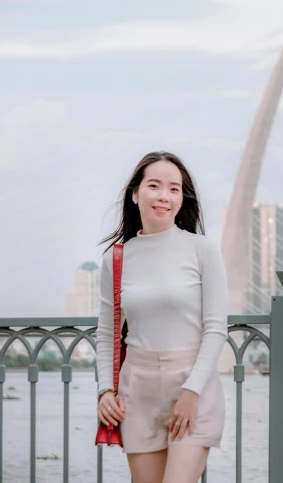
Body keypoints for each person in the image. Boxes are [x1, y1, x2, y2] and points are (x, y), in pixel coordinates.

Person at [95, 151, 228, 483]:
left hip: (191, 386)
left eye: (174, 189)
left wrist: (191, 391)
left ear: (182, 198)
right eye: (155, 186)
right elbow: (105, 333)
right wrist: (104, 391)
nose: (164, 196)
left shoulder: (203, 250)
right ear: (135, 194)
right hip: (136, 391)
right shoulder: (117, 258)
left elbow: (215, 329)